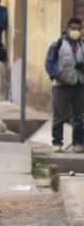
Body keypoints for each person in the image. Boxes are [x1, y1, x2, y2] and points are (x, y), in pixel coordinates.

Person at [44, 17, 84, 153]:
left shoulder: (82, 45)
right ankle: (57, 143)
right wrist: (58, 76)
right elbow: (49, 64)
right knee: (59, 116)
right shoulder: (58, 44)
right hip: (61, 87)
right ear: (67, 29)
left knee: (78, 117)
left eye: (79, 29)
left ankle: (78, 143)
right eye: (73, 29)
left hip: (79, 86)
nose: (76, 32)